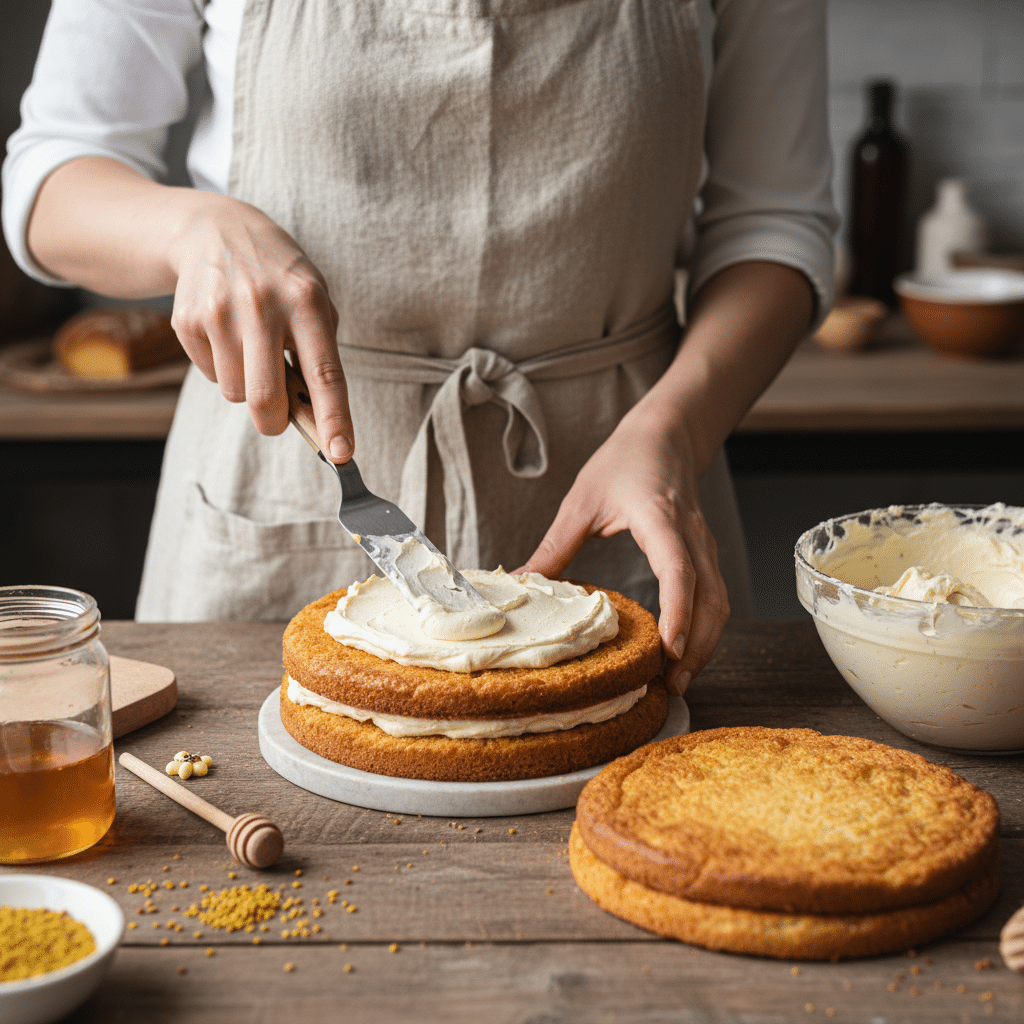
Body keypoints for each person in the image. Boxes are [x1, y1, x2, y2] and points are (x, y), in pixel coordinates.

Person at [3, 0, 837, 696]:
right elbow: (52, 177)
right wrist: (194, 230)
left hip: (622, 468)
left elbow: (775, 222)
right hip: (281, 455)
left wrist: (675, 435)